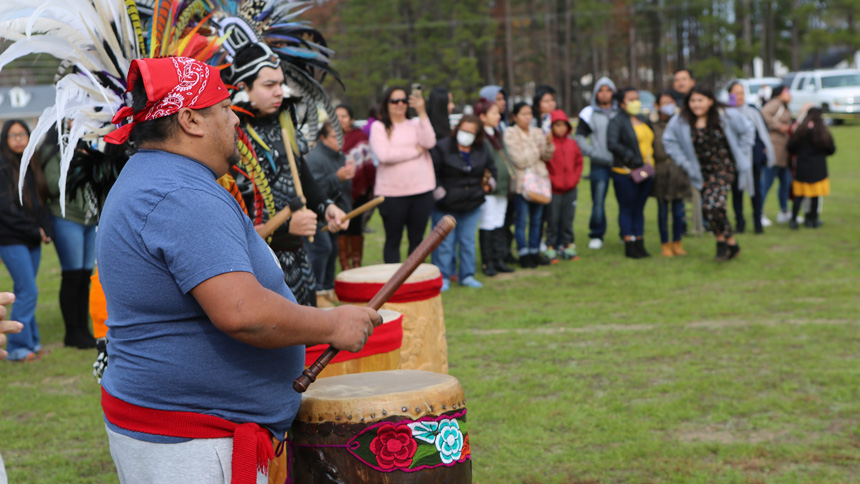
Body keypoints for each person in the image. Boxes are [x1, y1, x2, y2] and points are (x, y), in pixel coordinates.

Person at [98, 57, 380, 484]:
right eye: (225, 108)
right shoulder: (180, 193)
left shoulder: (157, 176)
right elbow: (242, 312)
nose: (235, 120)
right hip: (192, 443)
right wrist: (331, 323)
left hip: (181, 430)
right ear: (191, 120)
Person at [227, 43, 349, 307]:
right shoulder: (231, 134)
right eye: (269, 85)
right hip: (257, 263)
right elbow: (233, 208)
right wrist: (283, 227)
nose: (279, 92)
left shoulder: (283, 120)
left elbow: (299, 173)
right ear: (244, 87)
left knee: (306, 337)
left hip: (297, 256)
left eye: (281, 83)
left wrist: (325, 206)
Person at [663, 86, 755, 261]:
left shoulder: (726, 116)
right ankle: (729, 243)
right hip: (700, 171)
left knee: (713, 205)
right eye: (692, 101)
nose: (696, 105)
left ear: (710, 101)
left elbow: (748, 130)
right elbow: (669, 141)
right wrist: (684, 162)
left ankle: (724, 243)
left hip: (723, 168)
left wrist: (741, 153)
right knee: (710, 209)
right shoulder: (681, 120)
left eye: (700, 100)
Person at [38, 128, 99, 349]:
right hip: (66, 219)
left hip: (88, 219)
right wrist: (78, 164)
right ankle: (72, 333)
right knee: (72, 276)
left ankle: (83, 330)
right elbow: (54, 184)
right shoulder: (54, 152)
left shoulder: (88, 147)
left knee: (85, 277)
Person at [0, 119, 53, 362]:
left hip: (31, 238)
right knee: (28, 290)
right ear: (5, 139)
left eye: (23, 133)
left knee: (27, 290)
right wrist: (35, 230)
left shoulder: (30, 164)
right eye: (13, 135)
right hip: (11, 239)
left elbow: (40, 202)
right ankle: (17, 348)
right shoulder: (2, 167)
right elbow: (6, 210)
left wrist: (44, 228)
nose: (19, 139)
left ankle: (32, 341)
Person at [369, 86, 437, 263]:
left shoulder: (416, 123)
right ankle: (393, 285)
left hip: (421, 191)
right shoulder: (379, 127)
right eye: (395, 100)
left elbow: (429, 142)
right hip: (392, 194)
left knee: (417, 240)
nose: (400, 104)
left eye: (403, 100)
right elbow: (384, 155)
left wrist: (422, 113)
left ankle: (413, 282)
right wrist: (415, 151)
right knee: (393, 240)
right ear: (387, 103)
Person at [430, 115, 496, 290]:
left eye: (470, 132)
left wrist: (487, 187)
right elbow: (433, 173)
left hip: (472, 203)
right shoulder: (442, 147)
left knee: (467, 241)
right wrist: (441, 196)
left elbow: (492, 169)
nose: (465, 134)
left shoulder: (482, 149)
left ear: (477, 135)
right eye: (463, 130)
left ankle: (467, 275)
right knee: (444, 243)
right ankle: (442, 277)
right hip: (446, 205)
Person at [304, 122, 353, 301]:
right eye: (335, 136)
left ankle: (328, 288)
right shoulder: (315, 158)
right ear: (323, 138)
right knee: (321, 249)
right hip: (316, 214)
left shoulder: (338, 155)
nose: (340, 140)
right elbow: (312, 190)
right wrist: (336, 178)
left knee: (332, 250)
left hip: (333, 212)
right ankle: (317, 290)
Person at [504, 102, 555, 268]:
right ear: (515, 116)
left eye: (529, 114)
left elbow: (547, 155)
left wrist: (547, 144)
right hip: (522, 184)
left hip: (539, 182)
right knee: (521, 220)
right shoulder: (510, 133)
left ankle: (534, 251)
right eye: (523, 114)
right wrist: (537, 150)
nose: (527, 117)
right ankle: (523, 253)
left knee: (537, 220)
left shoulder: (538, 132)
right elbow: (518, 160)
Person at [607, 88, 656, 259]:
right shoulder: (617, 121)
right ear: (621, 103)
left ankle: (639, 242)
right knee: (627, 208)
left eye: (637, 98)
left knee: (639, 208)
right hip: (626, 172)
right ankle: (629, 242)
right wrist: (632, 158)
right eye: (631, 99)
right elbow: (612, 144)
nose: (636, 102)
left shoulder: (642, 119)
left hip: (645, 171)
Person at [575, 77, 618, 250]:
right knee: (598, 200)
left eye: (608, 90)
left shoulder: (619, 112)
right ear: (596, 93)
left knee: (625, 200)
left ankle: (626, 233)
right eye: (601, 90)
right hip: (599, 163)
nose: (605, 94)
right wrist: (592, 153)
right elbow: (579, 137)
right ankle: (597, 234)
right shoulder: (588, 113)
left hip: (620, 163)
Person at [727, 81, 776, 234]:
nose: (739, 96)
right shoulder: (726, 114)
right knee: (737, 191)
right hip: (734, 157)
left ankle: (757, 221)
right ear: (730, 95)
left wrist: (764, 153)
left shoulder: (753, 111)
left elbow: (761, 133)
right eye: (736, 93)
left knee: (755, 190)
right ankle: (739, 222)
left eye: (742, 92)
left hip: (753, 158)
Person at [474, 99, 515, 276]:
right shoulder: (480, 136)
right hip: (490, 188)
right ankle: (487, 262)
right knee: (489, 222)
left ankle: (499, 259)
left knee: (499, 221)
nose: (498, 116)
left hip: (502, 186)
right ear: (482, 116)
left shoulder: (496, 133)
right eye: (494, 113)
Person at [651, 92, 692, 257]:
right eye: (664, 102)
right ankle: (665, 244)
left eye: (671, 102)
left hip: (678, 172)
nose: (668, 105)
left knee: (678, 211)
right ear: (657, 105)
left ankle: (677, 242)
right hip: (661, 174)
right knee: (662, 211)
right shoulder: (652, 125)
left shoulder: (681, 123)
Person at [335, 104, 374, 270]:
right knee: (341, 227)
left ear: (351, 119)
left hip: (359, 191)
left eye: (344, 116)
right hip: (336, 191)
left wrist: (369, 187)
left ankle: (357, 264)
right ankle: (345, 266)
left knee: (356, 227)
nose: (340, 120)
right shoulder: (327, 138)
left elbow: (368, 163)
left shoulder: (360, 137)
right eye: (336, 116)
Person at [544, 109, 583, 263]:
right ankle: (551, 247)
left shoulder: (572, 143)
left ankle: (567, 246)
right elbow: (545, 164)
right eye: (557, 125)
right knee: (553, 219)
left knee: (568, 218)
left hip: (570, 189)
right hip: (554, 189)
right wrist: (552, 180)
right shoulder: (549, 144)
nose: (561, 128)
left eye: (564, 125)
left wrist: (574, 179)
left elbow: (579, 163)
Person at [787, 107, 834, 229]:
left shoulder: (801, 131)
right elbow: (831, 149)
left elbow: (790, 147)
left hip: (802, 167)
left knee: (798, 196)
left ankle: (793, 220)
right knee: (815, 196)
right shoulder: (823, 131)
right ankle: (812, 220)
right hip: (818, 168)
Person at [761, 85, 794, 224]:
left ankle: (784, 211)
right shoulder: (776, 103)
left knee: (786, 182)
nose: (790, 94)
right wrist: (779, 126)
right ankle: (759, 213)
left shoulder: (784, 105)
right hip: (774, 151)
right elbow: (763, 113)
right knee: (766, 183)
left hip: (783, 153)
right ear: (781, 93)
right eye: (787, 91)